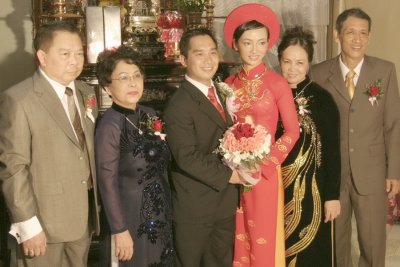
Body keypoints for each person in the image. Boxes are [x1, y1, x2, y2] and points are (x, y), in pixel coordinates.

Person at [0, 21, 100, 266]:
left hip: (82, 220)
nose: (75, 61)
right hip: (42, 224)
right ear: (42, 57)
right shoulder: (18, 99)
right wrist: (27, 225)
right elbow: (13, 168)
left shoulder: (86, 92)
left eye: (79, 53)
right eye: (65, 54)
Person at [311, 8, 400, 267]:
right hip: (333, 172)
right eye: (351, 32)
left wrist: (393, 171)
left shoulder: (385, 71)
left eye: (363, 33)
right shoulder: (318, 73)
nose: (357, 39)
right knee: (335, 241)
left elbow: (394, 124)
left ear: (369, 37)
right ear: (338, 35)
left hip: (372, 171)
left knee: (373, 243)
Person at [223, 4, 300, 267]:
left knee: (262, 240)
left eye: (260, 42)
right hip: (232, 174)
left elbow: (293, 131)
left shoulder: (277, 83)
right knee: (237, 238)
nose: (254, 49)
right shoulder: (228, 85)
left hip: (265, 174)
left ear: (269, 44)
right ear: (235, 44)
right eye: (247, 42)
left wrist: (265, 163)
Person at [163, 28, 242, 267]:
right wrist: (231, 175)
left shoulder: (220, 91)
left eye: (212, 52)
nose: (208, 60)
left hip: (223, 204)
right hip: (195, 208)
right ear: (184, 60)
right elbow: (186, 157)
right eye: (199, 54)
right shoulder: (179, 104)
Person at [95, 45, 174, 266]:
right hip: (130, 215)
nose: (132, 83)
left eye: (136, 76)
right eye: (123, 78)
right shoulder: (110, 125)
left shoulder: (148, 114)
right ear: (107, 87)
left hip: (159, 211)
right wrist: (119, 230)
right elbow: (106, 181)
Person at [277, 26, 341, 267]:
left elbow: (333, 151)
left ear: (309, 63)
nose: (293, 68)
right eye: (287, 61)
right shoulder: (269, 93)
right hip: (275, 190)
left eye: (300, 63)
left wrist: (332, 196)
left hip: (312, 191)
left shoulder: (322, 99)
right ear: (279, 60)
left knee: (312, 252)